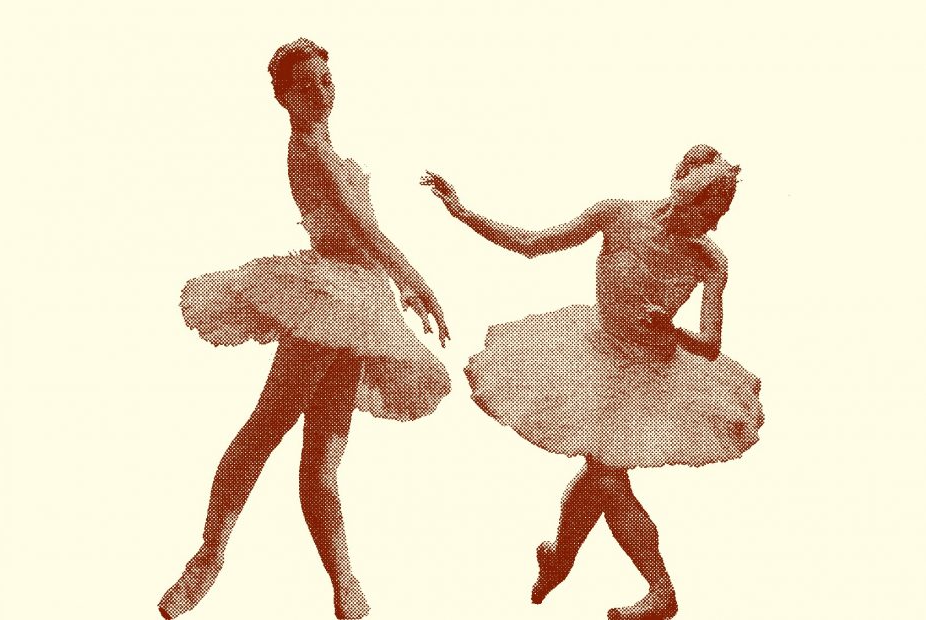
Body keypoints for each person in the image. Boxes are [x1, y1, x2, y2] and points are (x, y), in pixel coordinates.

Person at [158, 38, 450, 620]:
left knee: (320, 460)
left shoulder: (323, 144)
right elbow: (360, 229)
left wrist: (397, 283)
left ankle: (343, 582)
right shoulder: (310, 148)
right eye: (305, 84)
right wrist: (415, 280)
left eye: (325, 79)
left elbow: (361, 231)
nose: (320, 90)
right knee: (267, 429)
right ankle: (208, 559)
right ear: (285, 98)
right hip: (328, 298)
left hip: (358, 305)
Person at [421, 144, 762, 620]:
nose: (715, 225)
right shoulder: (618, 216)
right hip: (593, 356)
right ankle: (564, 559)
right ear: (686, 195)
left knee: (604, 475)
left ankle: (648, 588)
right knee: (602, 476)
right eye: (711, 211)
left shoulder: (711, 261)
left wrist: (669, 328)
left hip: (650, 377)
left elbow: (708, 345)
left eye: (721, 215)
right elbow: (532, 243)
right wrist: (461, 211)